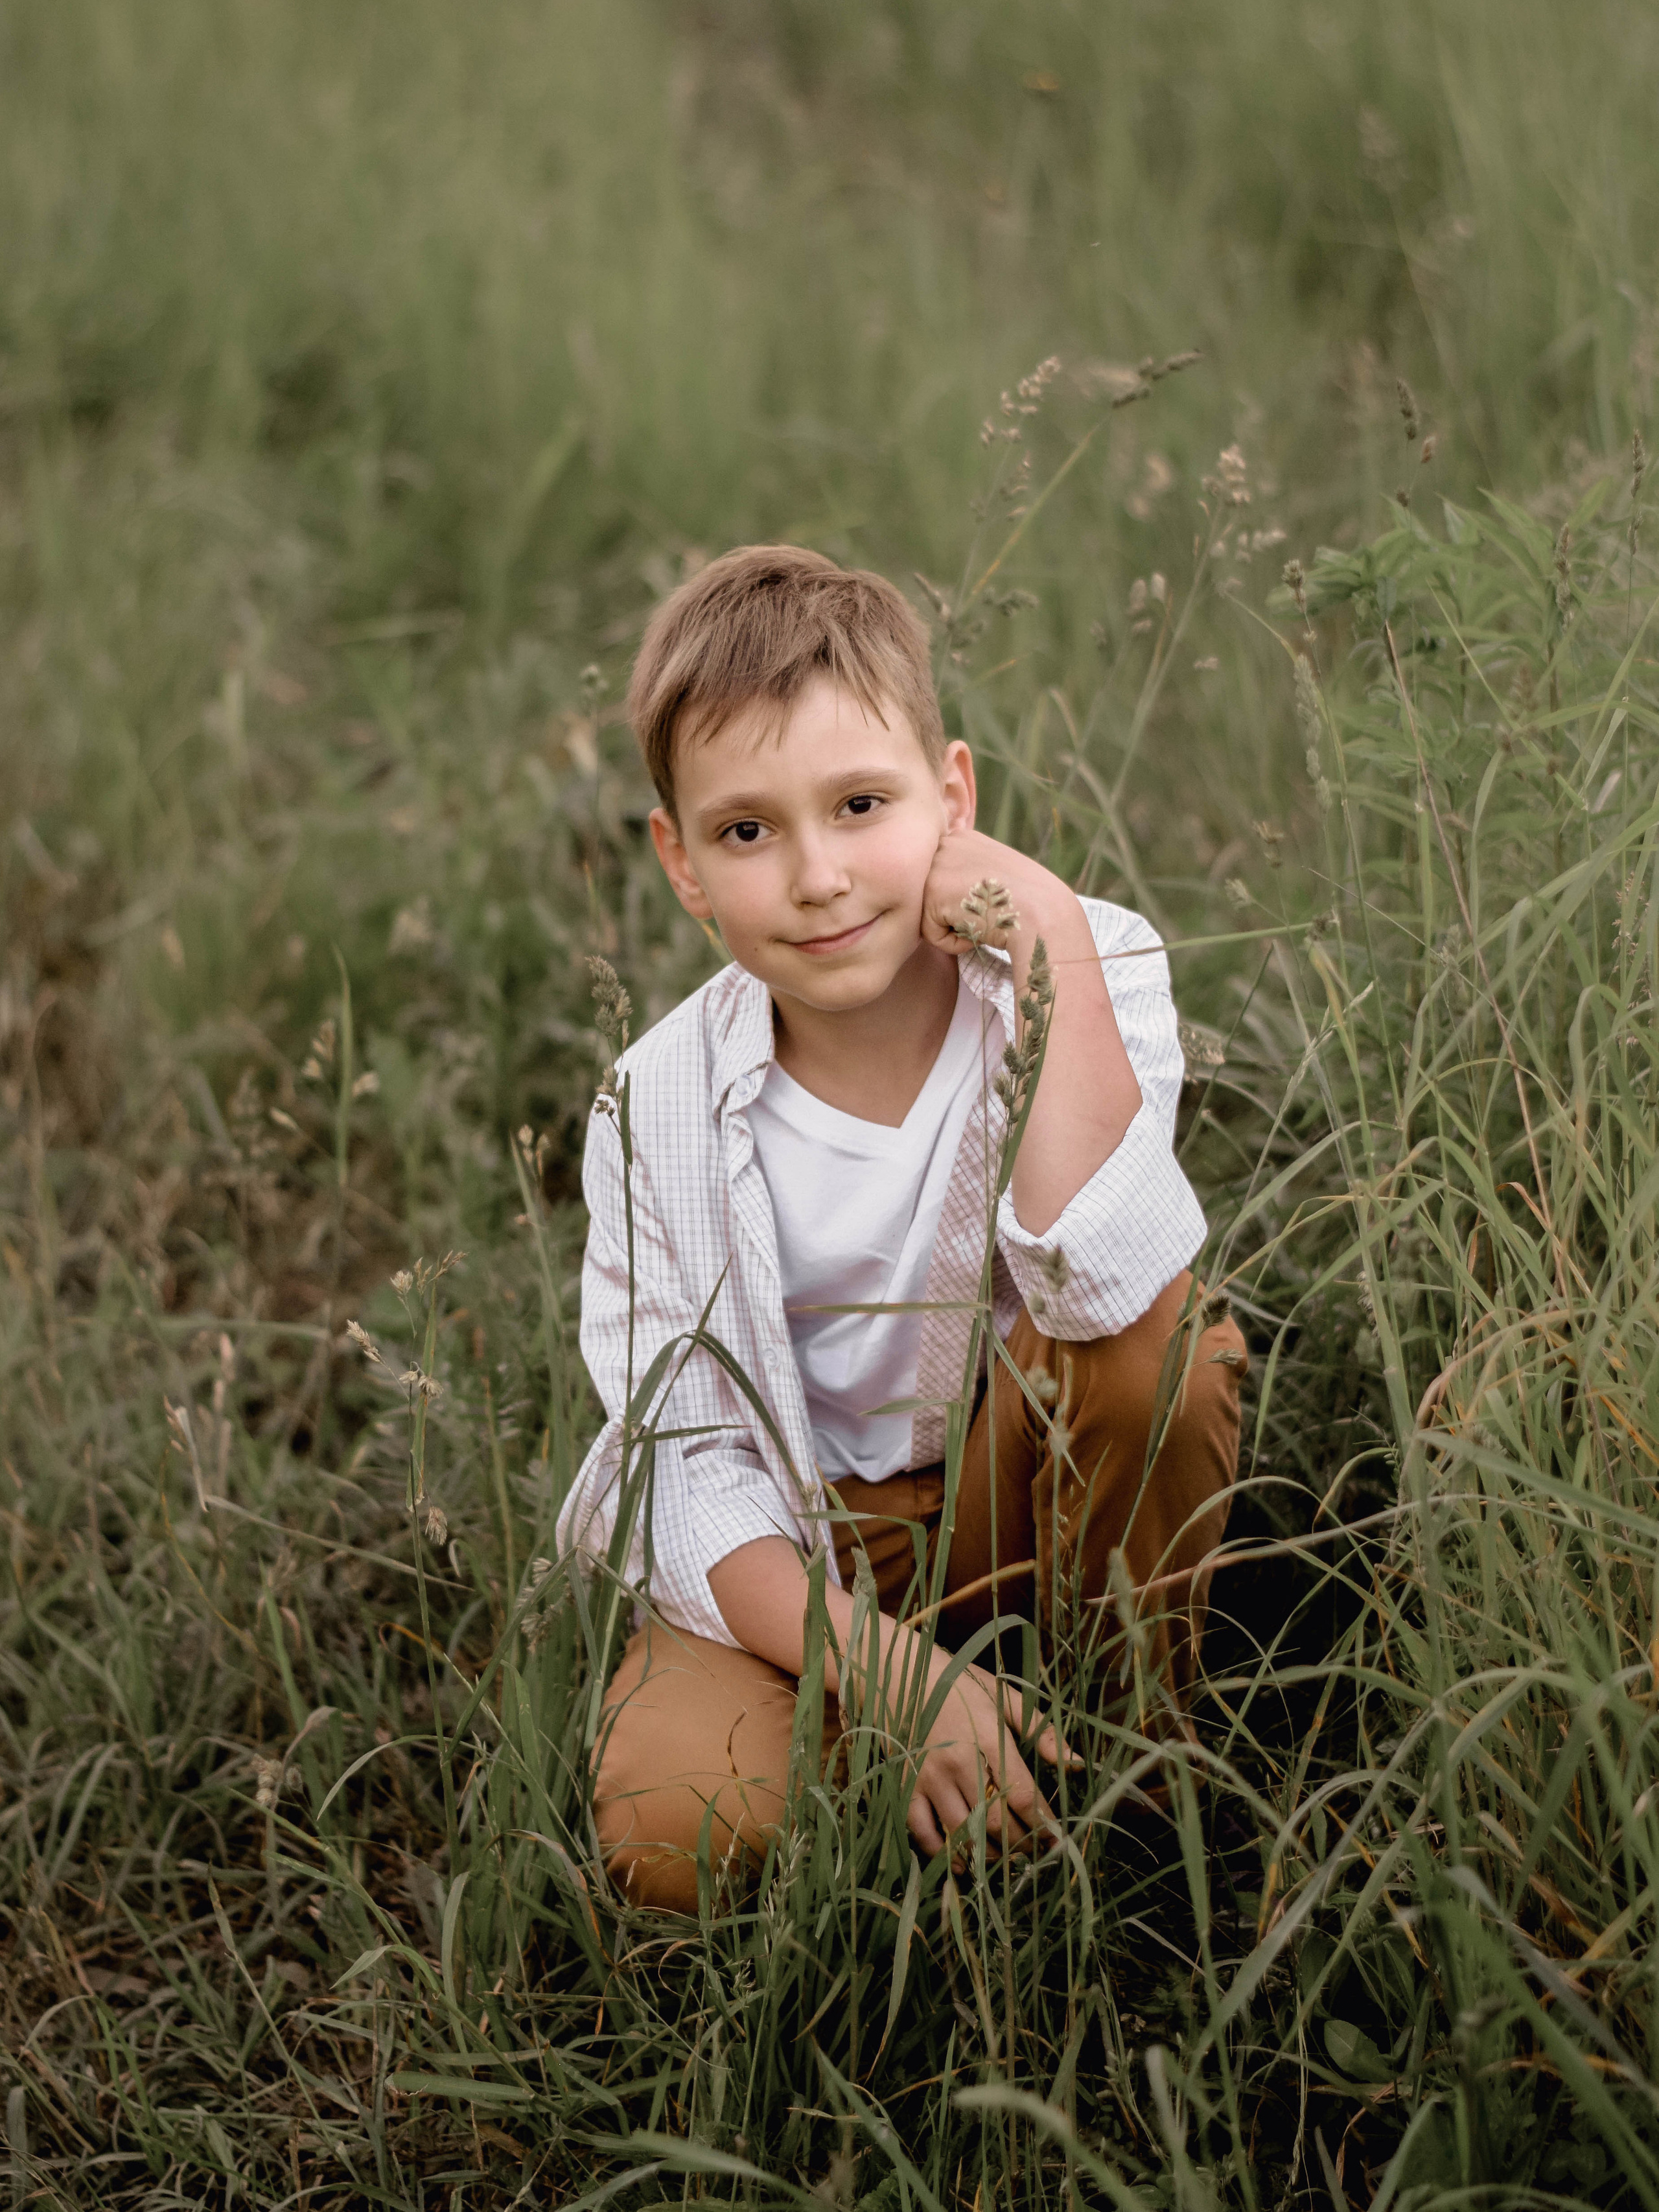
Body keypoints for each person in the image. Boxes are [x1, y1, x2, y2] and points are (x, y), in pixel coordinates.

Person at [557, 544, 1247, 1914]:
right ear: (680, 863)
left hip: (1022, 1482)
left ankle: (1126, 1770)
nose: (816, 876)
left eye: (860, 804)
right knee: (670, 1825)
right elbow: (681, 1464)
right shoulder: (658, 1108)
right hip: (806, 1543)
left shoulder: (1081, 964)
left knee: (1159, 1350)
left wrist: (1040, 929)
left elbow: (1105, 1280)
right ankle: (910, 1766)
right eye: (746, 831)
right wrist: (891, 1672)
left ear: (953, 800)